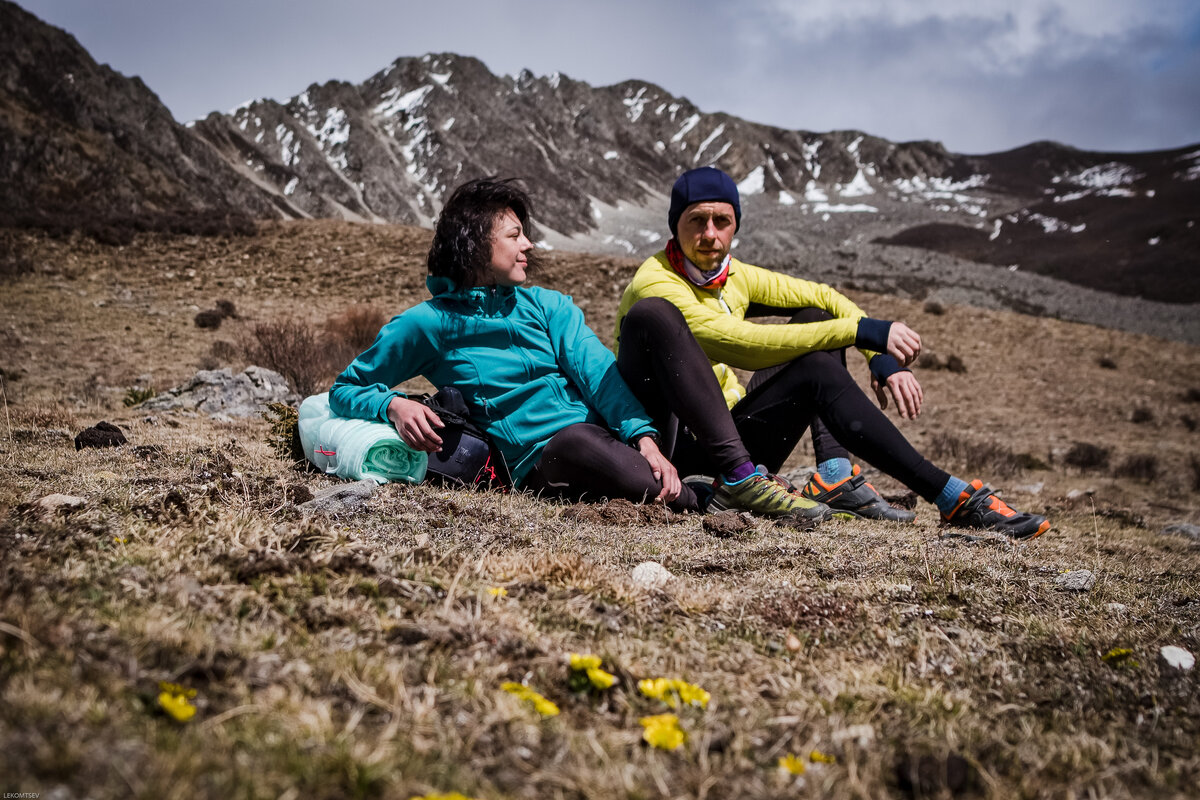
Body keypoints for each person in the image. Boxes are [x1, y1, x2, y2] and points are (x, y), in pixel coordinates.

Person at [329, 177, 830, 522]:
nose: (528, 245)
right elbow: (346, 388)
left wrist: (645, 438)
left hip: (605, 434)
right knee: (573, 442)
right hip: (545, 461)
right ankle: (706, 497)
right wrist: (393, 404)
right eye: (514, 235)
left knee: (647, 330)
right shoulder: (428, 323)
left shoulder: (547, 304)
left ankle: (727, 479)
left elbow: (598, 374)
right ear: (475, 245)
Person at [614, 166, 1050, 540]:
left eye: (722, 221)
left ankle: (835, 476)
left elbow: (825, 296)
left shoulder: (732, 275)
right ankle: (952, 496)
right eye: (697, 221)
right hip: (669, 451)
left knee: (815, 314)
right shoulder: (656, 281)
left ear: (736, 225)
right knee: (820, 353)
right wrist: (867, 330)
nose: (710, 235)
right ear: (675, 225)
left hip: (730, 441)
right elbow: (738, 344)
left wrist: (877, 357)